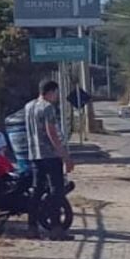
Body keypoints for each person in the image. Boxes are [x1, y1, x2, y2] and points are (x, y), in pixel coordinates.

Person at [25, 80, 74, 241]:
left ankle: (32, 227)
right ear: (50, 92)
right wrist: (65, 157)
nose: (57, 96)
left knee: (36, 190)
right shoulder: (48, 108)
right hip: (50, 155)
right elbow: (52, 133)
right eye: (56, 93)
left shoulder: (29, 107)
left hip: (34, 154)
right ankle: (55, 228)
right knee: (56, 191)